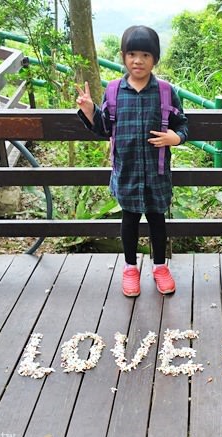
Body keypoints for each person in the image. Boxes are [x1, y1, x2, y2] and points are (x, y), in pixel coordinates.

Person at [76, 25, 189, 297]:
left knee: (157, 221)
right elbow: (104, 129)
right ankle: (130, 269)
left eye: (146, 55)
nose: (138, 61)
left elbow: (182, 125)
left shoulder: (165, 92)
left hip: (156, 173)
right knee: (128, 222)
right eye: (132, 54)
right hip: (126, 172)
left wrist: (175, 138)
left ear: (155, 59)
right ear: (124, 56)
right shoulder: (114, 91)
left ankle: (160, 267)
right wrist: (90, 110)